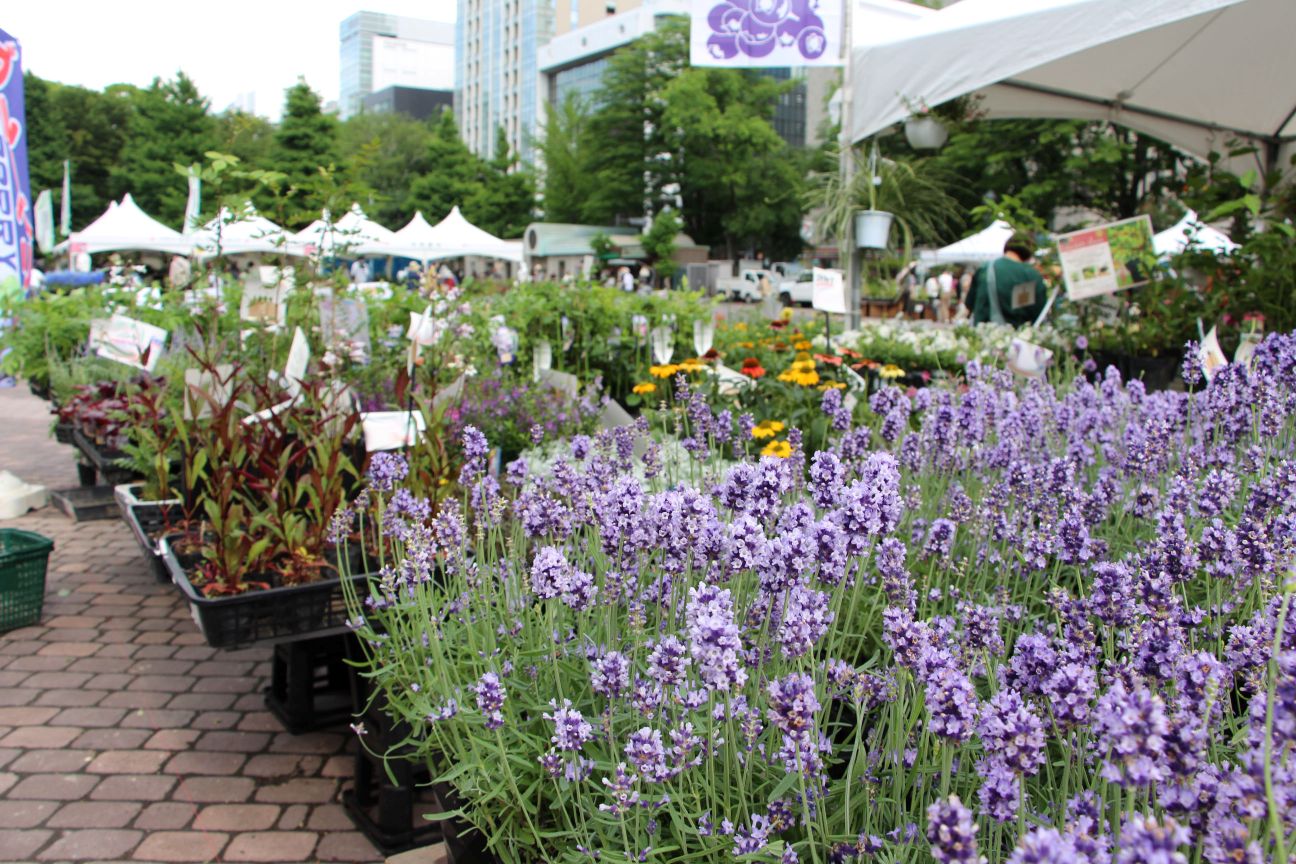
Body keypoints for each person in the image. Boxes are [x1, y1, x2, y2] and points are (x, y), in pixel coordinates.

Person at [963, 233, 1048, 327]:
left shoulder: (984, 268)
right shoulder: (1030, 275)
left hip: (982, 332)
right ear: (1029, 253)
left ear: (1007, 246)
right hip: (1016, 334)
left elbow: (969, 304)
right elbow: (1037, 312)